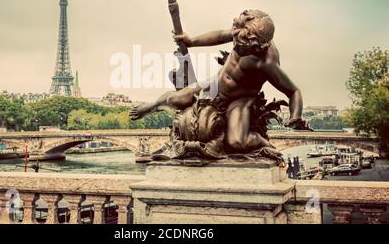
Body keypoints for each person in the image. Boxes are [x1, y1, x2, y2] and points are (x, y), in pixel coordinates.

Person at [130, 9, 308, 155]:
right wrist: (191, 41)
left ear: (257, 46)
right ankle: (152, 105)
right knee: (175, 99)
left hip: (240, 99)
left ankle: (260, 141)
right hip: (215, 84)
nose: (236, 47)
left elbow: (293, 91)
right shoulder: (243, 32)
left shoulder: (267, 63)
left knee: (236, 142)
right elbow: (220, 35)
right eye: (236, 42)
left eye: (242, 47)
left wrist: (295, 116)